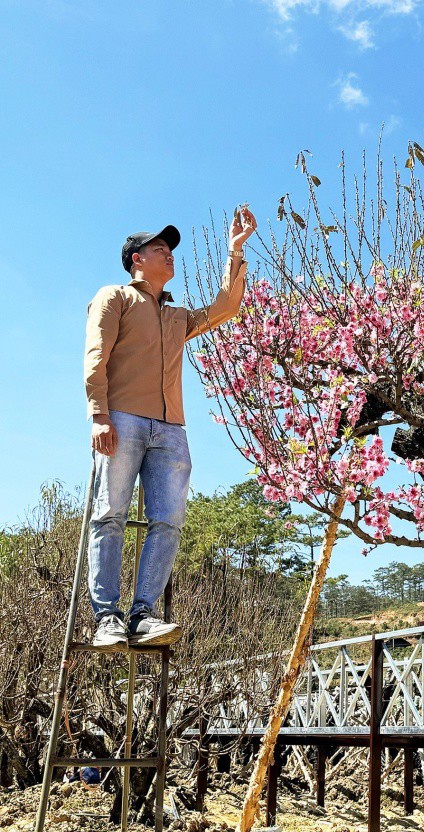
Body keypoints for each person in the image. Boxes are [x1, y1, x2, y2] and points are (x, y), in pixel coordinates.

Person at [84, 207, 257, 649]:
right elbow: (96, 355)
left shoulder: (177, 317)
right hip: (121, 418)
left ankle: (142, 614)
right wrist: (99, 415)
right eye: (160, 249)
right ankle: (107, 617)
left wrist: (235, 251)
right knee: (110, 515)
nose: (170, 255)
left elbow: (227, 307)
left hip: (171, 429)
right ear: (137, 259)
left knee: (170, 520)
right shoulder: (115, 297)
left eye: (170, 249)